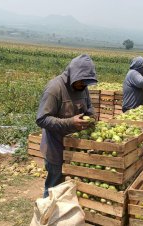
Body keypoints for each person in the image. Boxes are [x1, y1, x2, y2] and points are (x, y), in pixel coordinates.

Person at [36, 54, 98, 198]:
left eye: (86, 82)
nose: (83, 85)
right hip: (55, 147)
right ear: (73, 75)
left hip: (74, 148)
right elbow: (41, 119)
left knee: (67, 188)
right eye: (81, 81)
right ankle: (47, 217)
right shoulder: (54, 89)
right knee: (54, 187)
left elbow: (89, 107)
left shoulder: (82, 87)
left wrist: (92, 115)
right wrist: (70, 122)